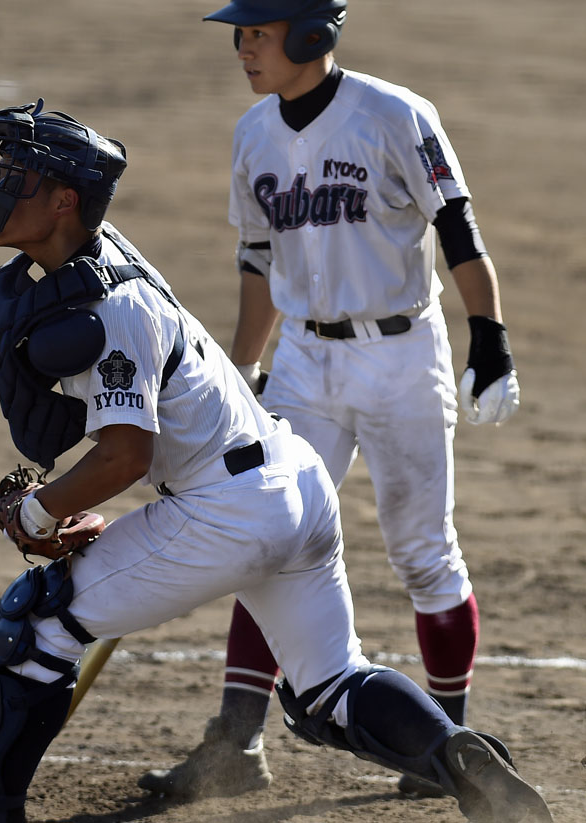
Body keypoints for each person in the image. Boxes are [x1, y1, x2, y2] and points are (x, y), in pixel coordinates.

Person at [0, 100, 550, 823]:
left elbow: (125, 456)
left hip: (229, 510)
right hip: (295, 483)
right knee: (329, 686)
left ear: (63, 200)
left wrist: (35, 513)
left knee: (36, 623)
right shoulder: (92, 239)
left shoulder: (111, 313)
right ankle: (454, 751)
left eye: (16, 179)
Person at [138, 0, 522, 803]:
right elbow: (257, 262)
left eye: (257, 34)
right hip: (305, 361)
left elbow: (457, 226)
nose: (243, 49)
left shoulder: (393, 114)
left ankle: (444, 744)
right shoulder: (253, 135)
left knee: (423, 550)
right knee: (264, 530)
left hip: (399, 355)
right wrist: (245, 366)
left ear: (311, 35)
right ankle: (236, 743)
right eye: (239, 35)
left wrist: (489, 335)